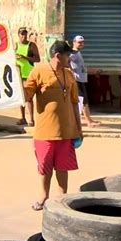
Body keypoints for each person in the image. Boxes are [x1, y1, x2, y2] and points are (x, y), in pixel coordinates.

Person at [23, 41, 83, 211]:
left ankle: (62, 199)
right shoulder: (38, 71)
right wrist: (16, 80)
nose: (69, 58)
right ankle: (43, 197)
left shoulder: (69, 75)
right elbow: (27, 95)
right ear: (58, 56)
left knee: (63, 168)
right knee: (45, 168)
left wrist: (79, 128)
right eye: (67, 55)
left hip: (66, 132)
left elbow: (73, 103)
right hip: (44, 132)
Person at [69, 35, 101, 127]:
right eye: (79, 42)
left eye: (82, 42)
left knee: (83, 100)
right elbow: (67, 60)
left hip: (81, 79)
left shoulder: (77, 52)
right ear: (74, 42)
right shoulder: (73, 53)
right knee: (82, 100)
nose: (81, 44)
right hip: (77, 80)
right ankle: (85, 121)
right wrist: (71, 71)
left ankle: (88, 120)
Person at [16, 27, 41, 127]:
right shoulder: (15, 45)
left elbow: (37, 59)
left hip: (28, 75)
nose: (23, 36)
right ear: (18, 35)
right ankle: (22, 118)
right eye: (22, 34)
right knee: (20, 97)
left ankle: (31, 119)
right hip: (18, 75)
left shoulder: (31, 45)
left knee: (29, 98)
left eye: (25, 34)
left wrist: (24, 57)